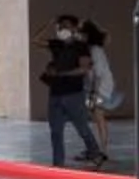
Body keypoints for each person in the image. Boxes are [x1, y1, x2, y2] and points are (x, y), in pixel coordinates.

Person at [38, 15, 105, 168]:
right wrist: (49, 23)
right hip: (55, 93)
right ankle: (58, 165)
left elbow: (84, 69)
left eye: (67, 26)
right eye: (60, 26)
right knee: (55, 131)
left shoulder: (81, 47)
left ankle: (95, 151)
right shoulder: (56, 44)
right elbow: (36, 40)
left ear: (74, 28)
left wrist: (61, 74)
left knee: (82, 127)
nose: (63, 29)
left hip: (73, 94)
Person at [82, 21, 120, 161]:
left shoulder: (95, 51)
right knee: (97, 116)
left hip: (101, 88)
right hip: (97, 87)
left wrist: (94, 93)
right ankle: (100, 148)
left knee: (98, 116)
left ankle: (103, 149)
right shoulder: (93, 49)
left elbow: (98, 74)